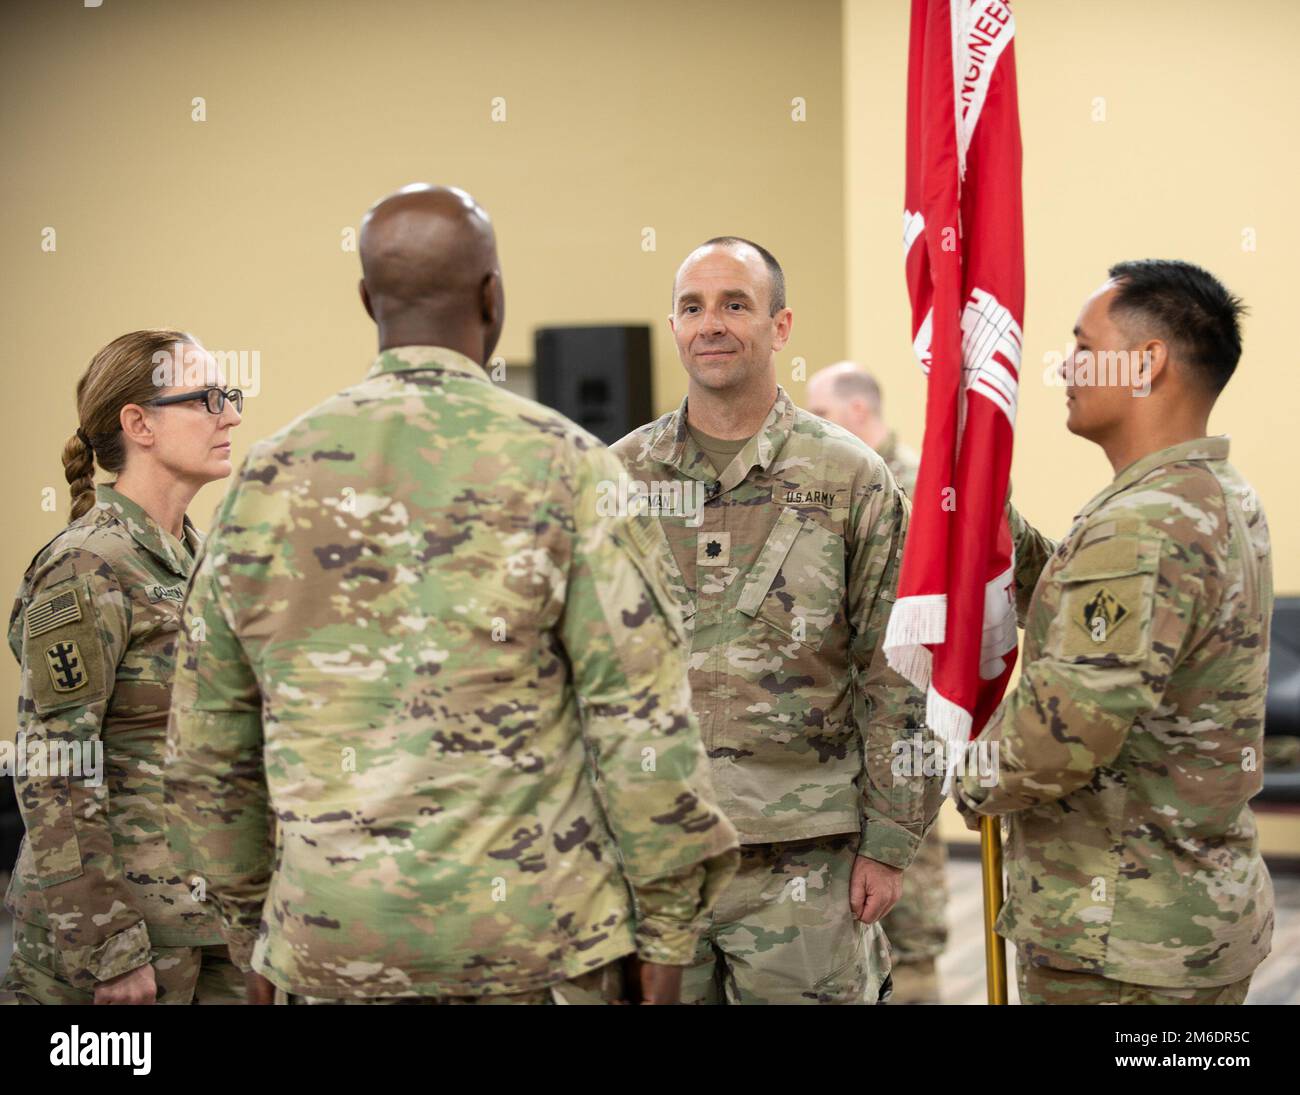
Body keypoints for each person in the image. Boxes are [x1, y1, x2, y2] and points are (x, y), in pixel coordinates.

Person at [163, 184, 738, 1006]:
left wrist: (255, 926)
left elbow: (207, 741)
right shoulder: (569, 466)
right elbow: (642, 721)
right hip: (539, 947)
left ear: (368, 300)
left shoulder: (265, 479)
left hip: (329, 942)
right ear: (492, 296)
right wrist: (668, 931)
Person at [610, 237, 942, 1005]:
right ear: (674, 325)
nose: (711, 323)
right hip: (656, 853)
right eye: (692, 307)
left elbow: (898, 670)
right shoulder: (621, 476)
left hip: (808, 862)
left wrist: (891, 843)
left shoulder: (851, 474)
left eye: (735, 303)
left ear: (781, 326)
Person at [953, 259, 1274, 1004]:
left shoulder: (1142, 523)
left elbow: (1063, 738)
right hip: (1186, 916)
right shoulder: (1208, 493)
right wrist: (989, 525)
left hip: (1123, 939)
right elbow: (1100, 631)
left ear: (1148, 361)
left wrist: (961, 773)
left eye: (1084, 346)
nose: (1064, 366)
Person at [3, 329, 245, 1004]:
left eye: (231, 396)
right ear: (137, 423)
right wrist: (107, 949)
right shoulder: (88, 563)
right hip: (114, 950)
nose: (230, 415)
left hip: (205, 932)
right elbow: (54, 768)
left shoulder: (194, 559)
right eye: (208, 398)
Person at [807, 361, 948, 1005]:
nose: (818, 428)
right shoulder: (831, 482)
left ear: (858, 412)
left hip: (908, 710)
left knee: (909, 897)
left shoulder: (920, 486)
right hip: (842, 723)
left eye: (826, 414)